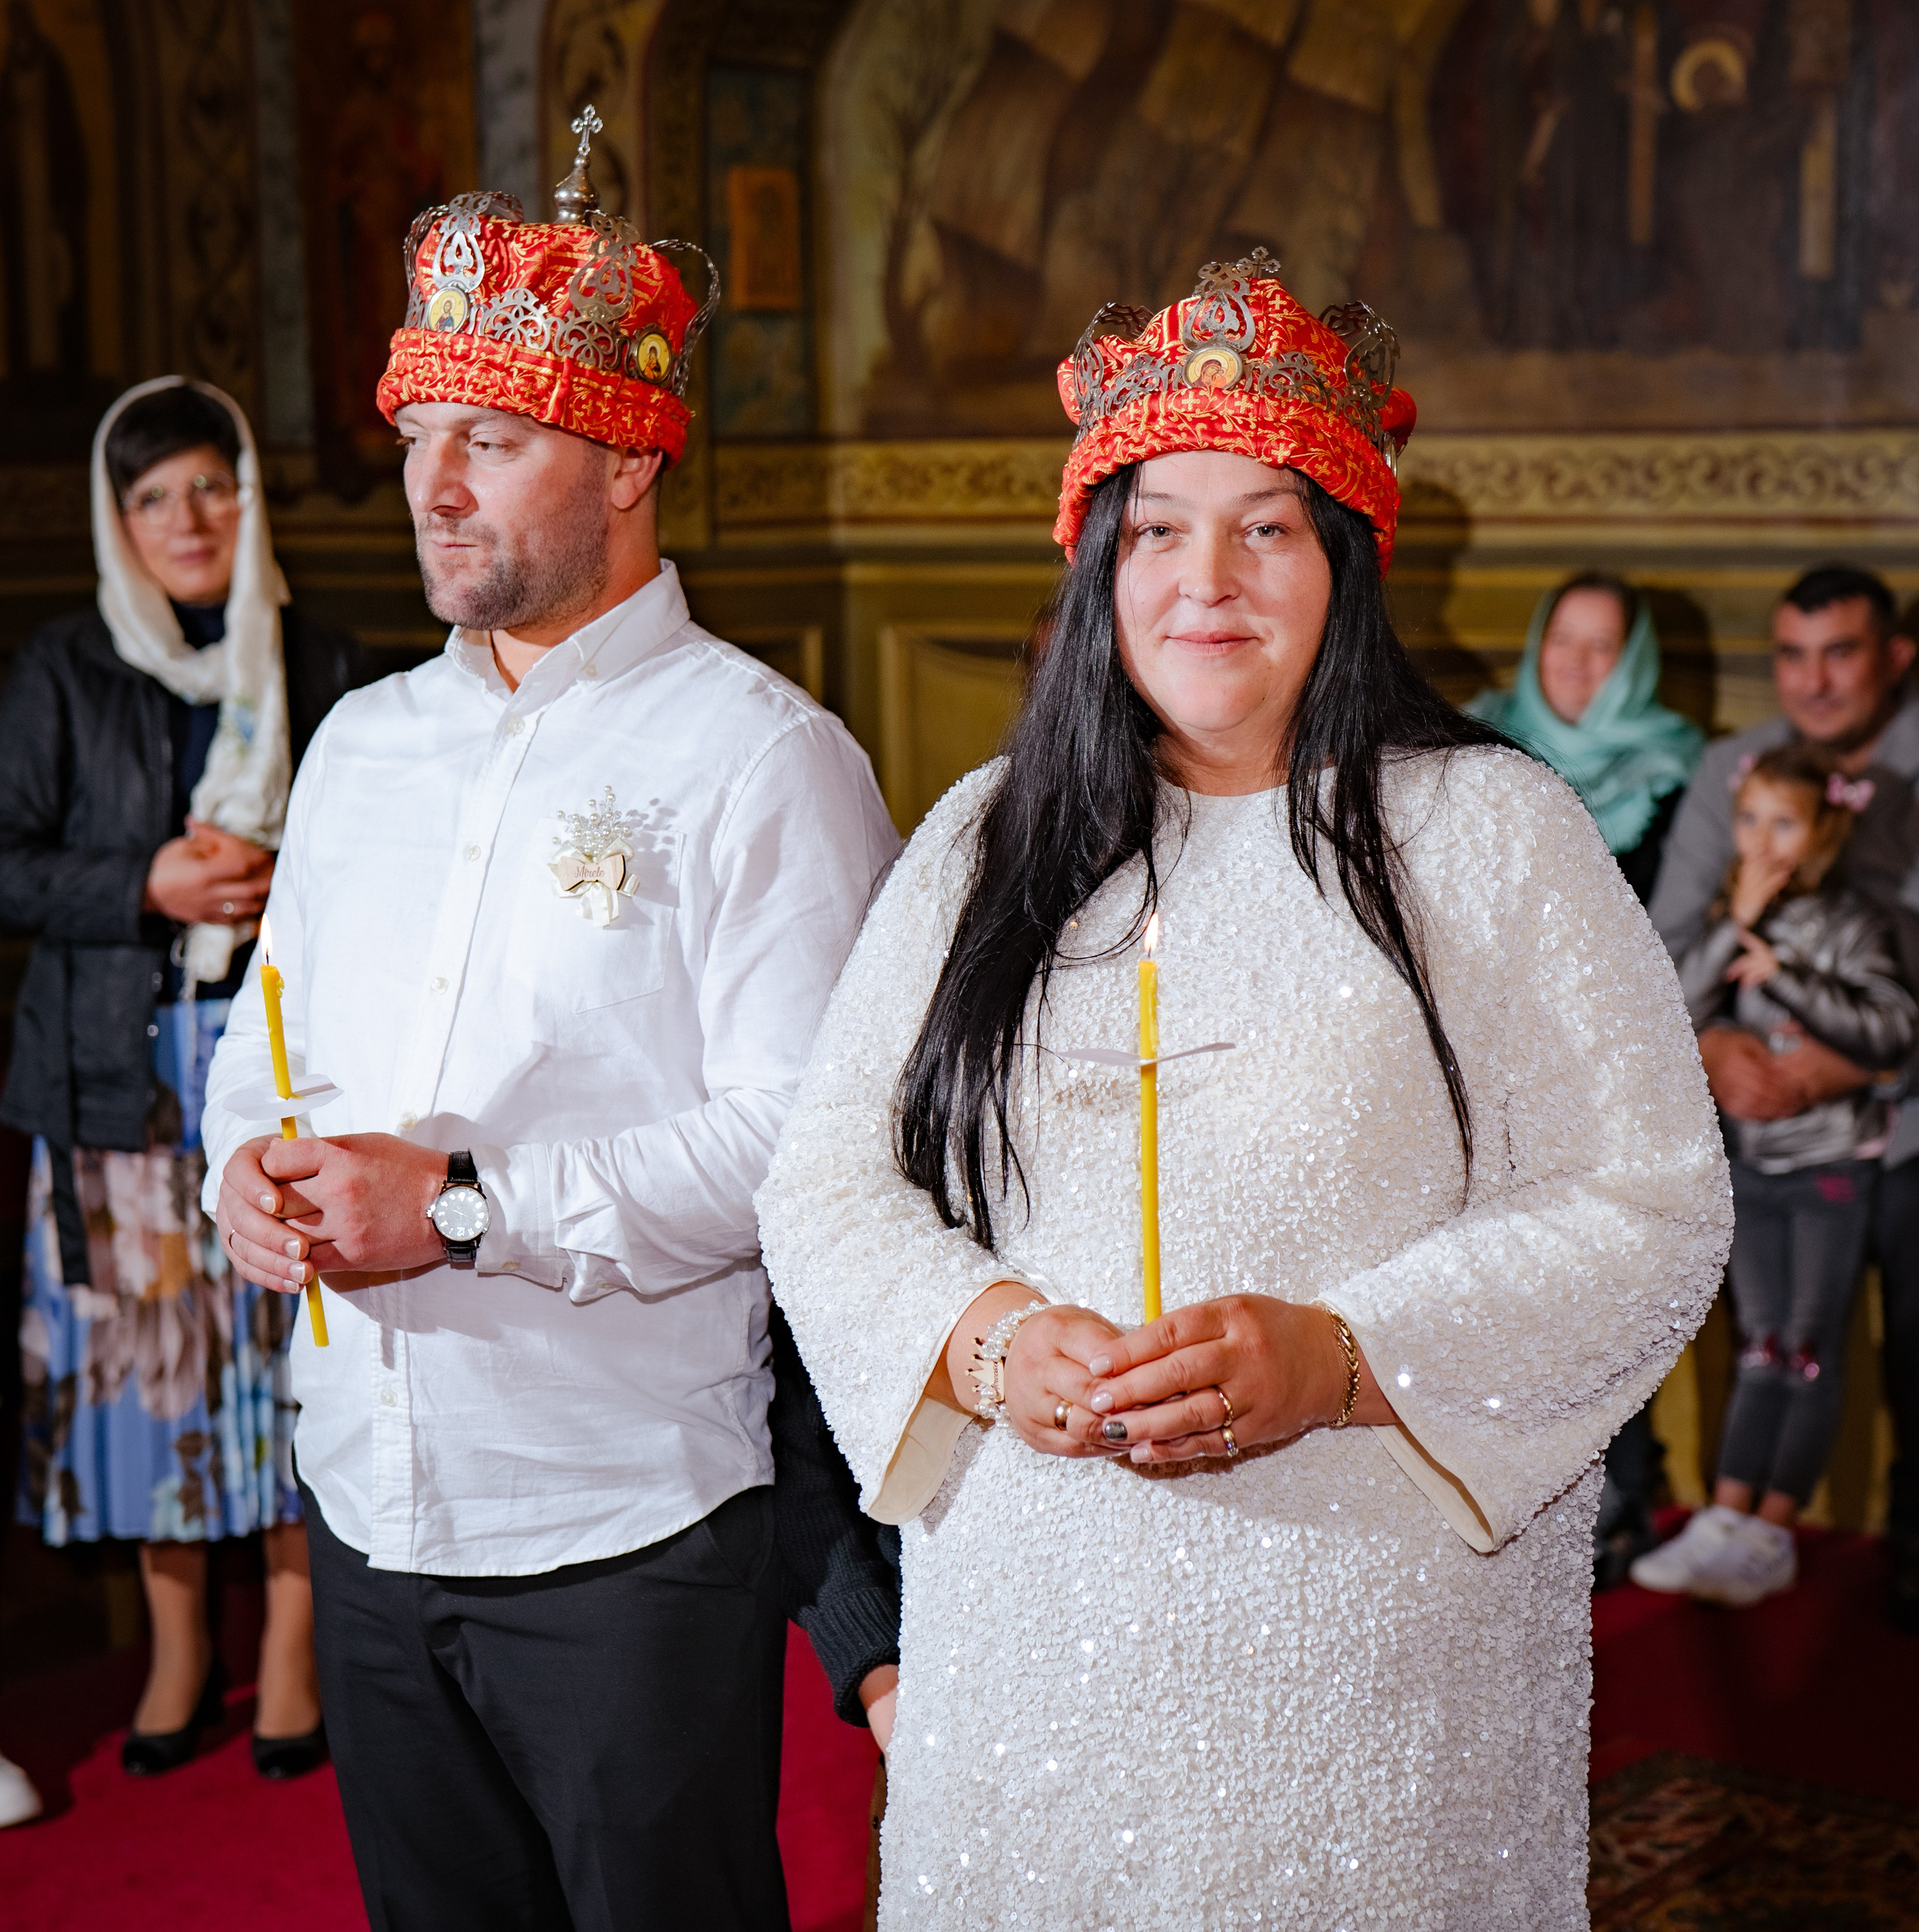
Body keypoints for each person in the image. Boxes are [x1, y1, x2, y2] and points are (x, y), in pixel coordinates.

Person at [757, 255, 1731, 1925]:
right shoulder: (986, 838)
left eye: (1264, 525)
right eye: (1154, 529)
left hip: (1369, 1654)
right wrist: (985, 1334)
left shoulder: (1490, 833)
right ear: (1096, 565)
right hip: (1029, 1638)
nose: (1203, 579)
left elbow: (1646, 1202)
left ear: (1343, 560)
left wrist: (1347, 1355)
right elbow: (825, 1181)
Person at [200, 145, 901, 1932]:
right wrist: (244, 1175)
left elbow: (799, 1145)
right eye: (421, 434)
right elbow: (264, 1038)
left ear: (631, 458)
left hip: (625, 1528)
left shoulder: (761, 755)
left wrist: (451, 1205)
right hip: (363, 1495)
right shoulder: (360, 743)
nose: (432, 485)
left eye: (490, 441)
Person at [0, 379, 364, 1785]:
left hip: (280, 1066)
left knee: (284, 1362)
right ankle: (174, 1650)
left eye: (211, 485)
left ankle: (291, 1641)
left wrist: (284, 895)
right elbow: (11, 861)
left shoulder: (323, 664)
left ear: (249, 494)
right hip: (113, 1078)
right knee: (153, 1380)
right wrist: (142, 879)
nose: (188, 519)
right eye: (153, 497)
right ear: (118, 519)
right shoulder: (60, 669)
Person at [1648, 566, 1919, 1631]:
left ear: (1894, 657)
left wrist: (1843, 1062)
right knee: (1775, 1328)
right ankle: (1735, 1518)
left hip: (1893, 1110)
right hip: (1763, 1126)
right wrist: (1713, 1043)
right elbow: (1669, 947)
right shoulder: (1738, 770)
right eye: (1794, 655)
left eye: (1842, 652)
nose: (1815, 681)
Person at [1467, 572, 1705, 1583]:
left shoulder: (1678, 775)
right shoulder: (1479, 749)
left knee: (1607, 1275)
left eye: (1603, 647)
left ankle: (1624, 1489)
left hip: (1623, 1071)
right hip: (1495, 1061)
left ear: (1635, 664)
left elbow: (1672, 933)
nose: (1576, 665)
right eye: (1562, 640)